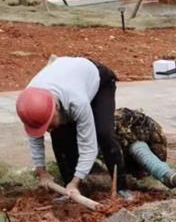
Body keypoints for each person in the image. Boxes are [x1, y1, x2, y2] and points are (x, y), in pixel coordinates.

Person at [16, 57, 127, 200]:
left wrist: (76, 181)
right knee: (60, 137)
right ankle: (70, 187)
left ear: (55, 108)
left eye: (49, 124)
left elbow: (88, 147)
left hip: (99, 81)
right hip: (68, 78)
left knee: (104, 133)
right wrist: (41, 172)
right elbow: (35, 139)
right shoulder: (30, 103)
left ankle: (121, 187)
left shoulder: (77, 101)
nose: (47, 129)